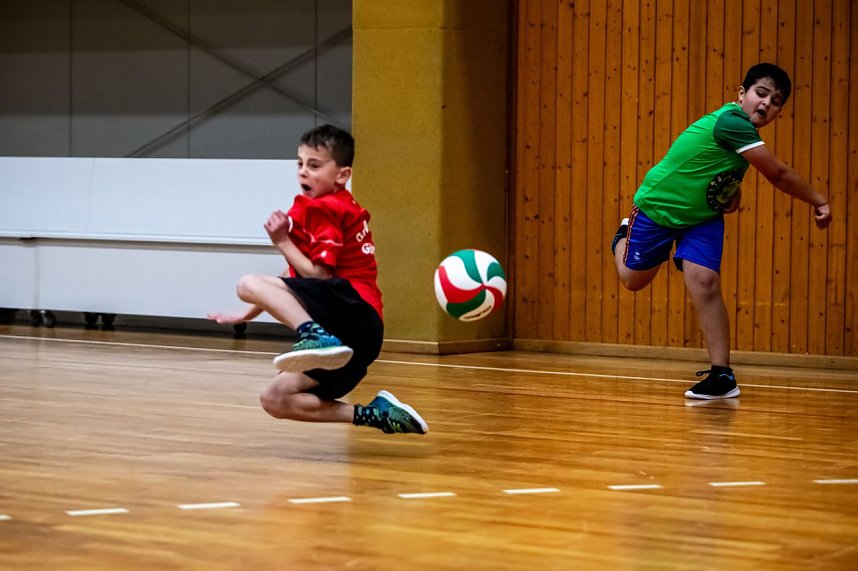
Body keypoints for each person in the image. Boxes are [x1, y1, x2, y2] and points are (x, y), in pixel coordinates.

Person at [611, 63, 832, 400]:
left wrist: (730, 195)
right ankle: (621, 236)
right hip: (659, 208)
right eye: (761, 93)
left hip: (702, 217)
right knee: (632, 280)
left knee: (704, 280)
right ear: (741, 94)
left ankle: (722, 375)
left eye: (775, 102)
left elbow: (723, 178)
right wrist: (818, 199)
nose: (766, 104)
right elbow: (778, 174)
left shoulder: (745, 136)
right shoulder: (731, 122)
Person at [209, 124, 428, 434]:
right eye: (300, 163)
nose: (303, 172)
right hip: (356, 339)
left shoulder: (325, 208)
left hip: (352, 310)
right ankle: (376, 415)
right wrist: (247, 313)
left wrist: (282, 242)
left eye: (314, 165)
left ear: (342, 175)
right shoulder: (325, 206)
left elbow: (319, 275)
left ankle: (313, 334)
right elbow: (294, 279)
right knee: (275, 398)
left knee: (246, 283)